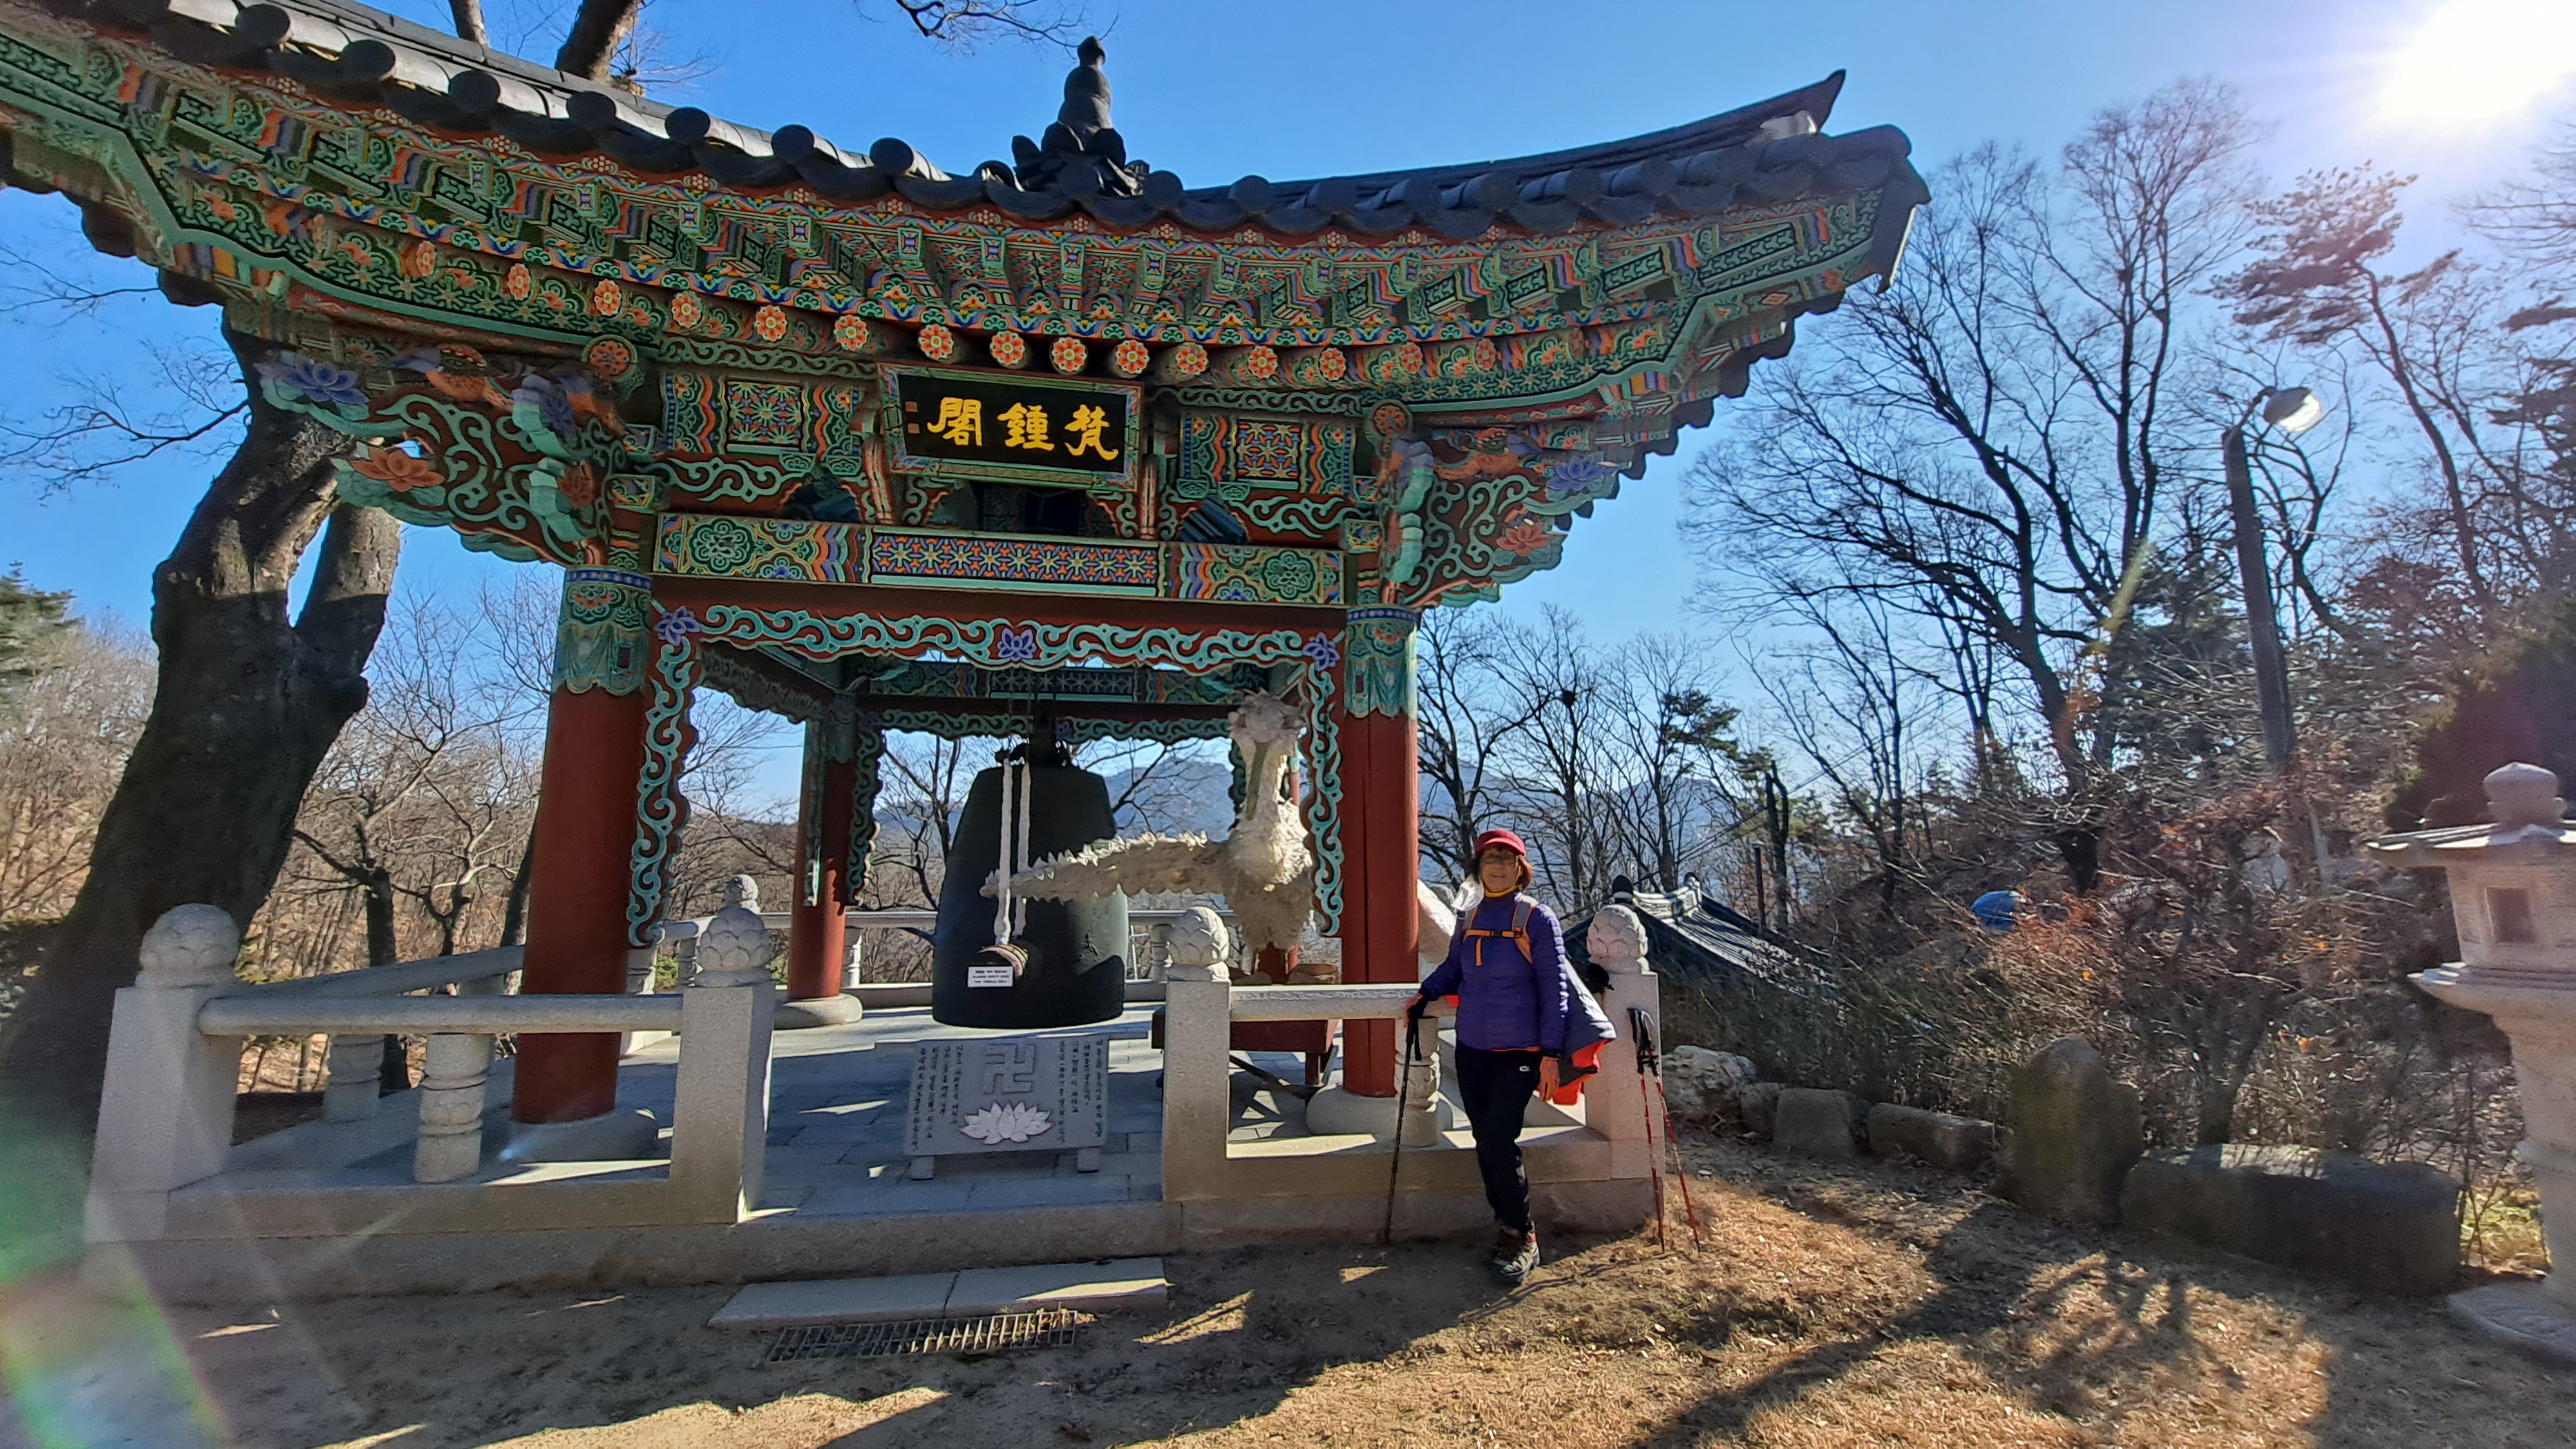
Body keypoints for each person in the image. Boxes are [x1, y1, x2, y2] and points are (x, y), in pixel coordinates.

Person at [1410, 828, 1607, 1285]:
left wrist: (1551, 1053)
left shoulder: (1537, 918)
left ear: (1521, 869)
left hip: (1521, 1050)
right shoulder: (1470, 916)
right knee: (1486, 1140)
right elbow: (1455, 967)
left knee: (1499, 1140)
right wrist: (1426, 993)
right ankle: (1509, 1226)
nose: (1498, 866)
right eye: (1490, 859)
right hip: (1473, 1047)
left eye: (1507, 859)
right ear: (1478, 868)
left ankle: (1522, 1235)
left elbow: (1555, 990)